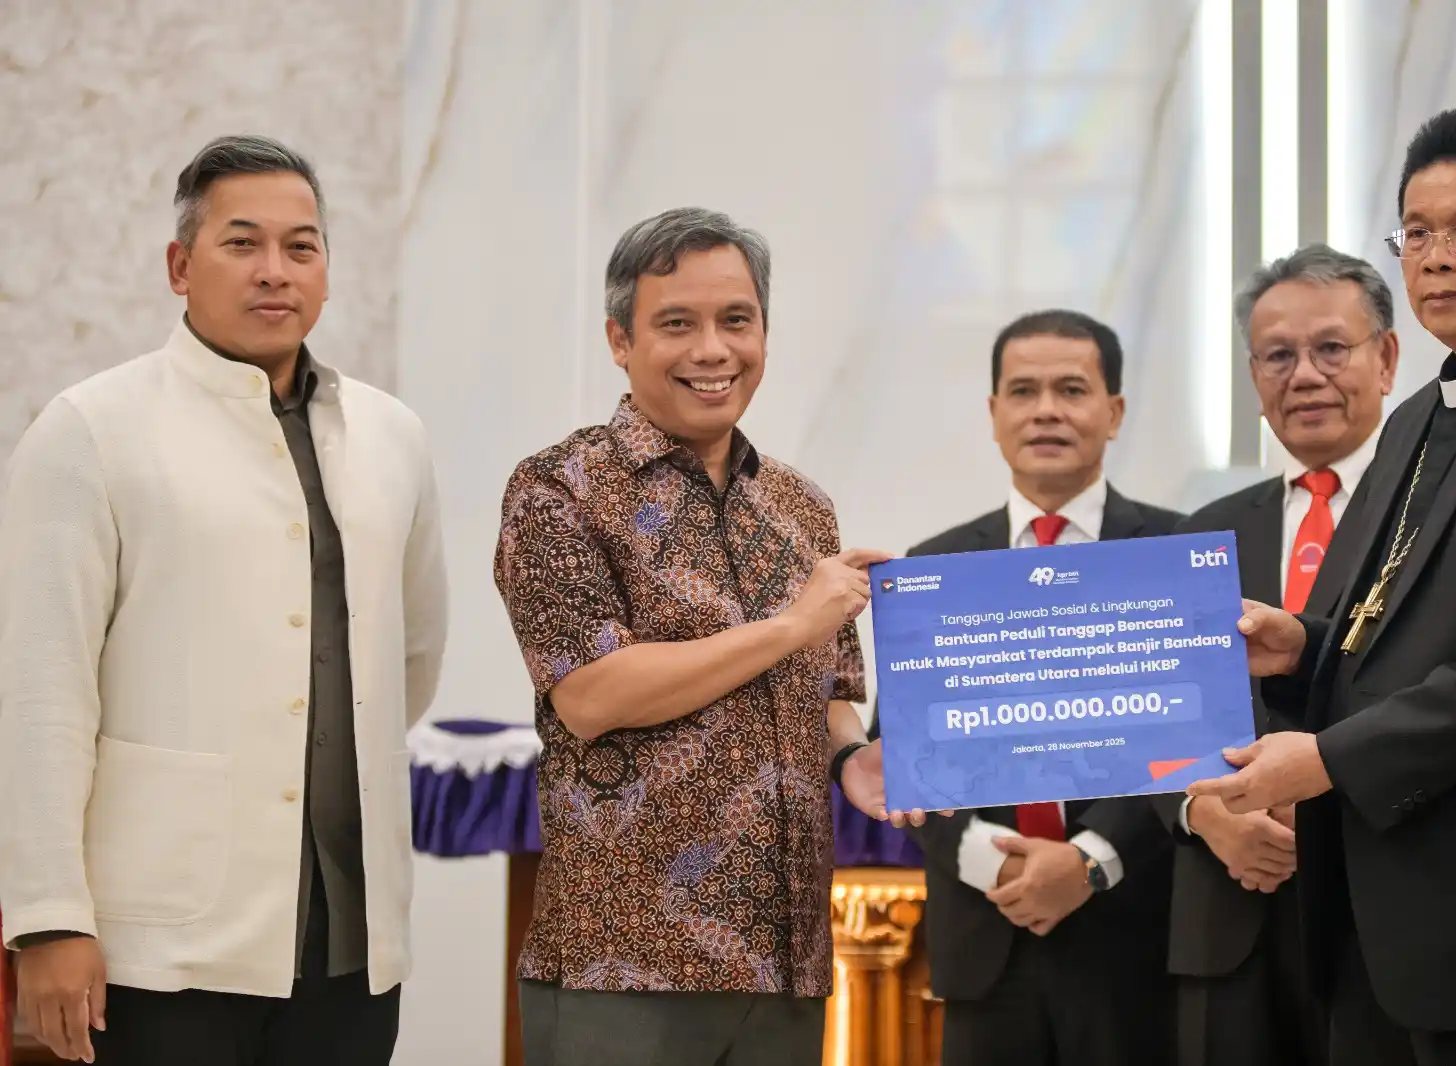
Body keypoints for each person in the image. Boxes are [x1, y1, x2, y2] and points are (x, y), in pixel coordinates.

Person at [0, 135, 448, 1065]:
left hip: (351, 944)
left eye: (301, 246)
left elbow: (412, 656)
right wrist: (46, 919)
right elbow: (38, 690)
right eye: (241, 243)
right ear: (180, 265)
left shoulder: (393, 436)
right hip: (160, 942)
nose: (274, 272)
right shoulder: (90, 430)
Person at [1188, 105, 1456, 1063]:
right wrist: (1302, 646)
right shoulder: (1419, 417)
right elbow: (1391, 627)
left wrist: (1331, 757)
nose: (1437, 256)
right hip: (1375, 918)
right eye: (1416, 233)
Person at [494, 207, 925, 1066]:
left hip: (788, 961)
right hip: (625, 967)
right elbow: (591, 694)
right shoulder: (558, 490)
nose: (712, 351)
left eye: (736, 321)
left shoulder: (802, 507)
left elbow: (832, 693)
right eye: (676, 324)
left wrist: (852, 758)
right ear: (620, 338)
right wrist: (791, 624)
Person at [897, 310, 1181, 1066]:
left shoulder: (1174, 554)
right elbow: (909, 760)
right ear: (994, 414)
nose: (1046, 409)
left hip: (1139, 937)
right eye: (1023, 391)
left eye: (1071, 389)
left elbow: (1198, 739)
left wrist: (1091, 861)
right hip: (987, 938)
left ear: (1113, 412)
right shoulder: (935, 567)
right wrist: (1002, 865)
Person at [1154, 244, 1398, 1066]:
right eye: (1278, 356)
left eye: (1332, 348)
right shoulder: (1200, 534)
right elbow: (1153, 719)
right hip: (1230, 917)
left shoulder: (1431, 516)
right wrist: (1206, 813)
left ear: (1387, 357)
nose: (1305, 375)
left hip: (1387, 915)